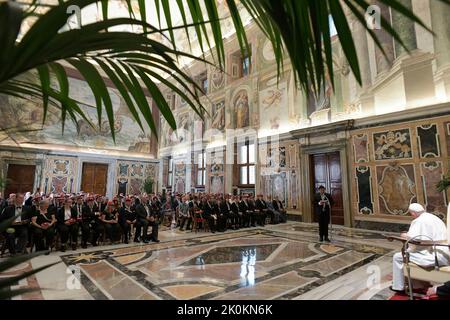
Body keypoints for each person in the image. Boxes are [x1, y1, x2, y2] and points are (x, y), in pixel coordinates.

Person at [390, 203, 450, 293]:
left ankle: (398, 287)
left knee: (398, 257)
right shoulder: (433, 217)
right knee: (408, 254)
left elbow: (416, 239)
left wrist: (405, 235)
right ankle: (418, 284)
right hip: (444, 252)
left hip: (434, 255)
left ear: (413, 213)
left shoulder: (419, 221)